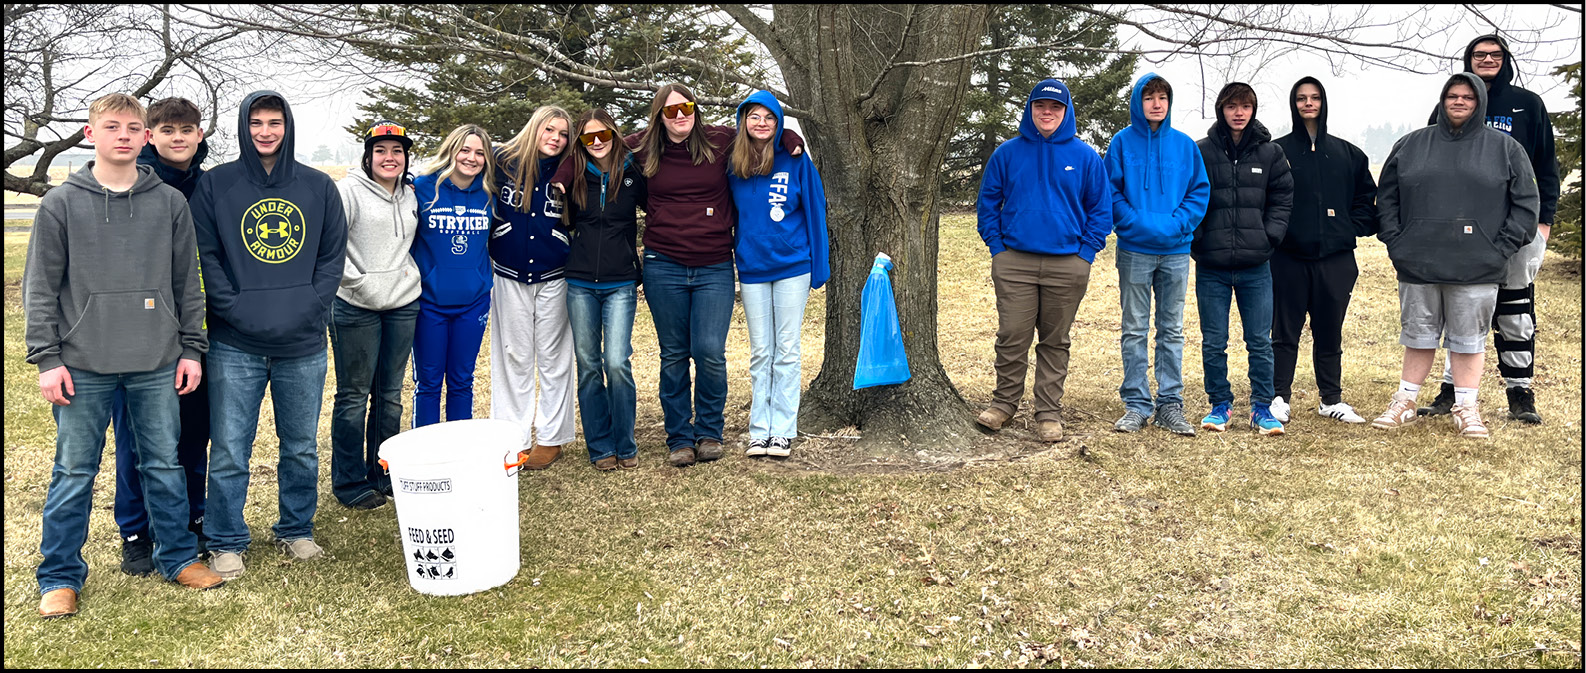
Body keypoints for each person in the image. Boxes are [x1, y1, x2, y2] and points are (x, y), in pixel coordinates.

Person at [26, 93, 224, 618]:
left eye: (133, 128)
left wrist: (191, 348)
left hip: (156, 361)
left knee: (163, 464)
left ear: (145, 137)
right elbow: (40, 288)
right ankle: (60, 575)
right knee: (74, 472)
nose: (123, 136)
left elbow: (187, 285)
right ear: (91, 134)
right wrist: (47, 358)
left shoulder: (170, 203)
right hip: (82, 365)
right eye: (112, 127)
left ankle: (177, 556)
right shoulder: (61, 203)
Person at [550, 83, 803, 468]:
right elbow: (599, 146)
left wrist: (789, 134)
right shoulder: (644, 147)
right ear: (659, 116)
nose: (680, 115)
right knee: (673, 354)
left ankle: (709, 432)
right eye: (670, 110)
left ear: (695, 110)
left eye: (686, 107)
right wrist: (566, 172)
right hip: (663, 263)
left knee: (709, 352)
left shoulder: (720, 140)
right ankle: (680, 437)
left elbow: (759, 130)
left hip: (714, 264)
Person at [192, 91, 348, 579]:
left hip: (302, 344)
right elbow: (207, 255)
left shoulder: (319, 187)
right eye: (256, 122)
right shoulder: (215, 185)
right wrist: (234, 307)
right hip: (234, 344)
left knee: (300, 446)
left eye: (274, 122)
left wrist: (311, 304)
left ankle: (296, 528)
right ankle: (225, 538)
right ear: (243, 127)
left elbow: (331, 258)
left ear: (287, 126)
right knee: (230, 449)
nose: (265, 131)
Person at [1372, 72, 1539, 439]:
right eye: (1452, 96)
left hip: (1477, 267)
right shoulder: (1411, 145)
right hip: (1418, 263)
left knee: (1468, 339)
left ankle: (1466, 407)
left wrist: (1498, 249)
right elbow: (1387, 199)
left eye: (1468, 96)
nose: (1459, 101)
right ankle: (1404, 401)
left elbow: (1526, 205)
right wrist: (1398, 243)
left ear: (1479, 102)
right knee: (1418, 335)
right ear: (1442, 100)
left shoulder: (1506, 148)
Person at [1419, 34, 1560, 424]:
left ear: (1505, 59)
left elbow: (1546, 167)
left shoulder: (1527, 104)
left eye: (1495, 54)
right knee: (1462, 308)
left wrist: (1543, 223)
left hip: (1518, 227)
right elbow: (1430, 165)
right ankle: (1451, 390)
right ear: (1468, 60)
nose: (1487, 60)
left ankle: (1520, 393)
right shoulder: (1451, 106)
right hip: (1463, 230)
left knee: (1515, 310)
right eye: (1479, 54)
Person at [975, 78, 1112, 443]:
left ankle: (1048, 412)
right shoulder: (1007, 153)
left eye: (1055, 107)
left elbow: (1101, 210)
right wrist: (997, 248)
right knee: (1012, 335)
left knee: (1055, 340)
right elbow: (987, 204)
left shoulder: (1085, 157)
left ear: (1066, 112)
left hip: (1067, 264)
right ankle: (1003, 404)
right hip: (1014, 262)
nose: (1047, 112)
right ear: (1030, 109)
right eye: (1040, 106)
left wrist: (1085, 254)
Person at [111, 96, 213, 576]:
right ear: (151, 135)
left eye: (185, 129)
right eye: (167, 129)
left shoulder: (210, 186)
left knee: (193, 433)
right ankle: (136, 531)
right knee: (136, 440)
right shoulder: (134, 181)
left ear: (199, 134)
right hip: (139, 333)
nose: (177, 138)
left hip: (197, 329)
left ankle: (192, 517)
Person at [1102, 73, 1210, 437]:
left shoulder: (1184, 146)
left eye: (1162, 97)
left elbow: (1199, 192)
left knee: (1172, 331)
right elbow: (1110, 191)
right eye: (1149, 97)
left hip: (1176, 252)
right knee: (1134, 329)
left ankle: (1170, 405)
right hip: (1135, 250)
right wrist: (1135, 223)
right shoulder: (1121, 143)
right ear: (1138, 102)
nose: (1156, 103)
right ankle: (1136, 404)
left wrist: (1177, 224)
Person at [1269, 77, 1380, 425]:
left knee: (1329, 331)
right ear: (1293, 104)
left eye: (1315, 97)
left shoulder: (1348, 154)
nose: (1308, 103)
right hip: (1287, 258)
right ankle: (1278, 397)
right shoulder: (1276, 152)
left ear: (1323, 102)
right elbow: (1263, 201)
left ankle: (1331, 399)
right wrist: (1275, 234)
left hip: (1336, 260)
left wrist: (1347, 227)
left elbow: (1366, 200)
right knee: (1284, 332)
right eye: (1301, 98)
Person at [727, 90, 831, 458]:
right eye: (754, 116)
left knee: (786, 350)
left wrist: (820, 267)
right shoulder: (732, 164)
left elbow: (816, 211)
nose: (762, 123)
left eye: (769, 117)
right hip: (752, 268)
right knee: (761, 352)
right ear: (743, 121)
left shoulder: (796, 159)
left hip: (792, 267)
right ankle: (759, 430)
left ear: (779, 122)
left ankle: (782, 431)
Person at [1192, 82, 1294, 436]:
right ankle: (1220, 405)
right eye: (1232, 106)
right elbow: (1189, 196)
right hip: (1211, 266)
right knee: (1213, 341)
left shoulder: (1271, 153)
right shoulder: (1201, 151)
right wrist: (1198, 238)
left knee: (1260, 341)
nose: (1239, 113)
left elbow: (1283, 197)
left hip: (1256, 265)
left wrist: (1270, 236)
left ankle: (1262, 408)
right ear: (1221, 109)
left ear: (1253, 110)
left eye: (1245, 106)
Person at [329, 120, 421, 510]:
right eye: (380, 151)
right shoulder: (347, 192)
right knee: (353, 396)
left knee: (389, 395)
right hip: (356, 305)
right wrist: (360, 283)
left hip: (402, 304)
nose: (389, 157)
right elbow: (329, 248)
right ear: (368, 156)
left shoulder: (410, 194)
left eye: (397, 151)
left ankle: (384, 472)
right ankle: (350, 481)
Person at [561, 108, 648, 470]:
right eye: (588, 136)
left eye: (603, 134)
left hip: (620, 283)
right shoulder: (574, 174)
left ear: (614, 134)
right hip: (579, 283)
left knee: (616, 362)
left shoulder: (633, 171)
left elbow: (661, 205)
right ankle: (600, 446)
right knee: (588, 366)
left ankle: (625, 443)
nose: (596, 142)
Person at [490, 108, 576, 469]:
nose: (555, 138)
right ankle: (513, 438)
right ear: (534, 128)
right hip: (508, 272)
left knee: (555, 359)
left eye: (563, 133)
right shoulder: (502, 161)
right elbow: (461, 165)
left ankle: (552, 438)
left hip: (556, 273)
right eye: (549, 129)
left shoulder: (570, 168)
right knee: (514, 357)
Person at [411, 124, 496, 427]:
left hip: (473, 302)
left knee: (462, 381)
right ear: (451, 151)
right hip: (429, 303)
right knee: (429, 383)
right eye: (465, 150)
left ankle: (459, 450)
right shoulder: (421, 187)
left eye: (480, 153)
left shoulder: (490, 194)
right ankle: (425, 452)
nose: (471, 158)